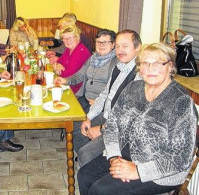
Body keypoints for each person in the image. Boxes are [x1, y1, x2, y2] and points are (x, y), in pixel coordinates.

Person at [77, 42, 198, 195]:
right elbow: (113, 125)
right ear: (139, 67)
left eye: (158, 63)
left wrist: (138, 171)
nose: (150, 68)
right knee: (85, 176)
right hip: (123, 153)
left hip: (159, 169)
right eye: (145, 63)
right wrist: (114, 157)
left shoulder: (180, 102)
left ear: (170, 66)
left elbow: (181, 159)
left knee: (101, 190)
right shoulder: (133, 89)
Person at [75, 30, 141, 166]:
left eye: (125, 46)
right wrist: (89, 117)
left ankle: (92, 165)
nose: (120, 50)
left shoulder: (139, 75)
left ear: (138, 47)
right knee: (77, 127)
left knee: (86, 153)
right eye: (118, 46)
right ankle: (87, 163)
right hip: (106, 116)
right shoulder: (118, 67)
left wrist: (100, 129)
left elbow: (128, 118)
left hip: (119, 128)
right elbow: (105, 95)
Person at [55, 29, 117, 112]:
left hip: (99, 104)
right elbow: (79, 76)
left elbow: (117, 90)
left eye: (105, 42)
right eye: (98, 42)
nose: (101, 45)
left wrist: (103, 103)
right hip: (84, 98)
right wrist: (65, 80)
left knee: (73, 123)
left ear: (113, 45)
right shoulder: (93, 58)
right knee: (62, 112)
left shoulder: (116, 63)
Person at [53, 25, 91, 93]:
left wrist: (57, 69)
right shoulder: (69, 49)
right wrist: (59, 65)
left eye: (70, 38)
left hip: (74, 89)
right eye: (64, 38)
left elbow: (69, 75)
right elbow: (59, 61)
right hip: (65, 84)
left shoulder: (81, 52)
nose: (67, 41)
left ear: (77, 37)